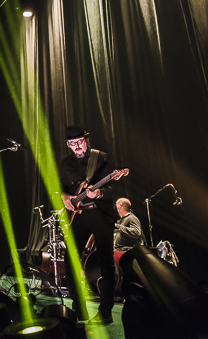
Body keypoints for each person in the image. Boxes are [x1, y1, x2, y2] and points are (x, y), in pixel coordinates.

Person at [60, 125, 118, 325]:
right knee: (70, 259)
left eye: (79, 142)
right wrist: (64, 196)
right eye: (72, 143)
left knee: (105, 261)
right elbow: (58, 188)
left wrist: (99, 193)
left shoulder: (101, 158)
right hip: (78, 215)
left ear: (86, 140)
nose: (77, 146)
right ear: (68, 145)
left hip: (99, 213)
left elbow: (113, 188)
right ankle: (79, 309)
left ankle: (105, 312)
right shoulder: (65, 163)